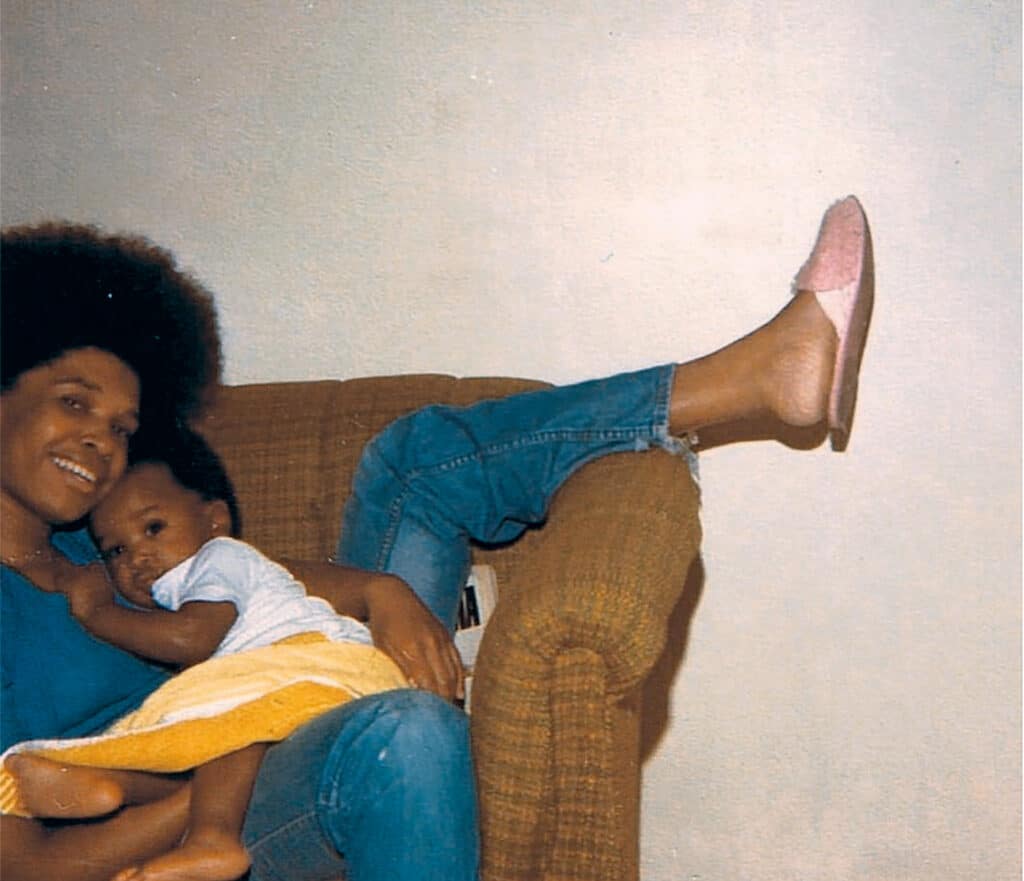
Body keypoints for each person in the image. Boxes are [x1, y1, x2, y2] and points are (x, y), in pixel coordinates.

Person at [0, 195, 873, 881]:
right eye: (75, 402)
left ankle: (749, 377)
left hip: (278, 717)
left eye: (121, 426)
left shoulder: (104, 552)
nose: (101, 443)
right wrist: (228, 768)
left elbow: (265, 583)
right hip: (205, 816)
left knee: (415, 463)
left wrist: (385, 592)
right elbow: (27, 864)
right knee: (408, 735)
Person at [5, 425, 409, 881]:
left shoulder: (220, 559)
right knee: (202, 728)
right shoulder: (159, 574)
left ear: (215, 522)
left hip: (309, 667)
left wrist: (97, 613)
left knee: (227, 717)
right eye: (117, 550)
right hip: (280, 695)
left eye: (153, 529)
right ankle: (112, 784)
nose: (136, 556)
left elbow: (191, 639)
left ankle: (211, 837)